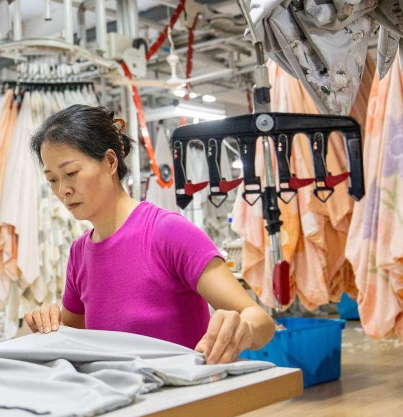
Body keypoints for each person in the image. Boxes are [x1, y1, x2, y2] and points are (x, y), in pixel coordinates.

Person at [23, 104, 275, 366]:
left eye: (71, 173)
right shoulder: (79, 253)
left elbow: (261, 322)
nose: (63, 189)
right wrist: (48, 324)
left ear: (110, 162)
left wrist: (241, 329)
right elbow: (74, 337)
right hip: (120, 401)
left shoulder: (168, 233)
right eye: (52, 179)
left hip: (183, 399)